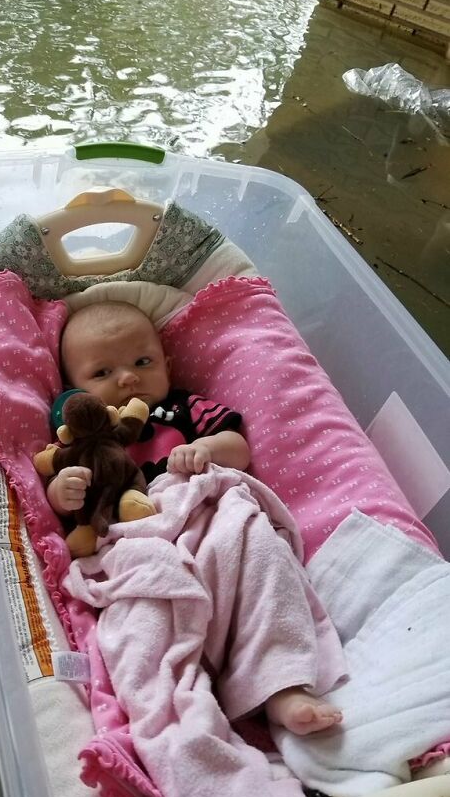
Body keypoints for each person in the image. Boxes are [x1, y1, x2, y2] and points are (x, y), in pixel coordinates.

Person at [47, 299, 343, 737]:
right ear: (74, 391)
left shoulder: (184, 407)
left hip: (204, 513)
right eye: (103, 372)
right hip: (137, 543)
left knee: (260, 555)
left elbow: (238, 449)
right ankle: (184, 718)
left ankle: (282, 683)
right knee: (142, 622)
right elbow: (60, 504)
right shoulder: (84, 438)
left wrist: (204, 449)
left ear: (167, 364)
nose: (128, 378)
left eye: (142, 362)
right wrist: (63, 491)